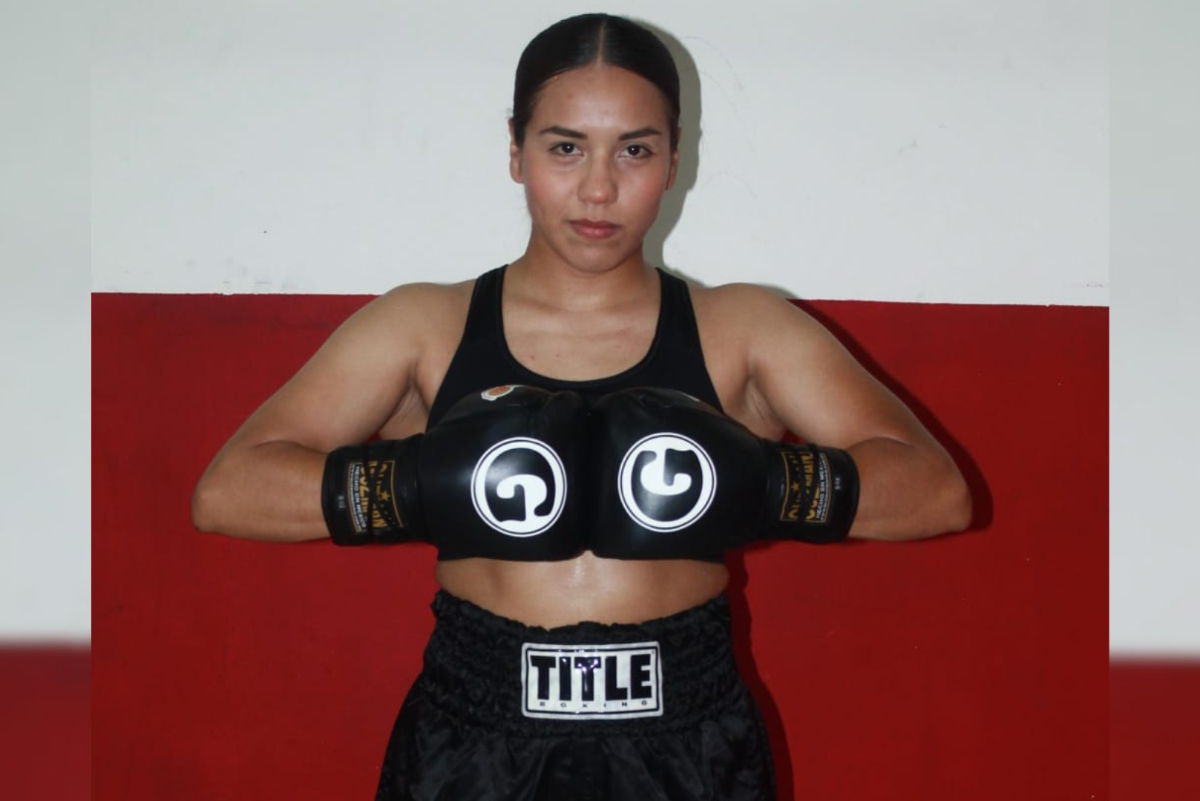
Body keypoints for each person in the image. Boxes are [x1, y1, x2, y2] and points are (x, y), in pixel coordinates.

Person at [192, 12, 972, 801]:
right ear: (515, 151)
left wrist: (767, 483)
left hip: (685, 738)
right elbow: (229, 489)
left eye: (635, 150)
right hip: (476, 735)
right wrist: (415, 484)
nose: (599, 189)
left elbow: (936, 490)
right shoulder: (426, 326)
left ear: (674, 158)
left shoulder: (742, 330)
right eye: (565, 148)